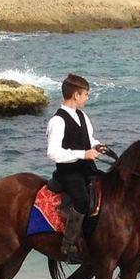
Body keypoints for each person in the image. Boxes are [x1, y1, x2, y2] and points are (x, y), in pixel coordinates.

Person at [46, 73, 108, 258]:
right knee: (82, 201)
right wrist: (83, 154)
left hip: (86, 168)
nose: (87, 98)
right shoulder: (57, 121)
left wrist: (96, 146)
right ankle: (69, 244)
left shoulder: (82, 115)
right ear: (76, 95)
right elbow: (53, 153)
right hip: (68, 173)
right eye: (86, 94)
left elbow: (88, 139)